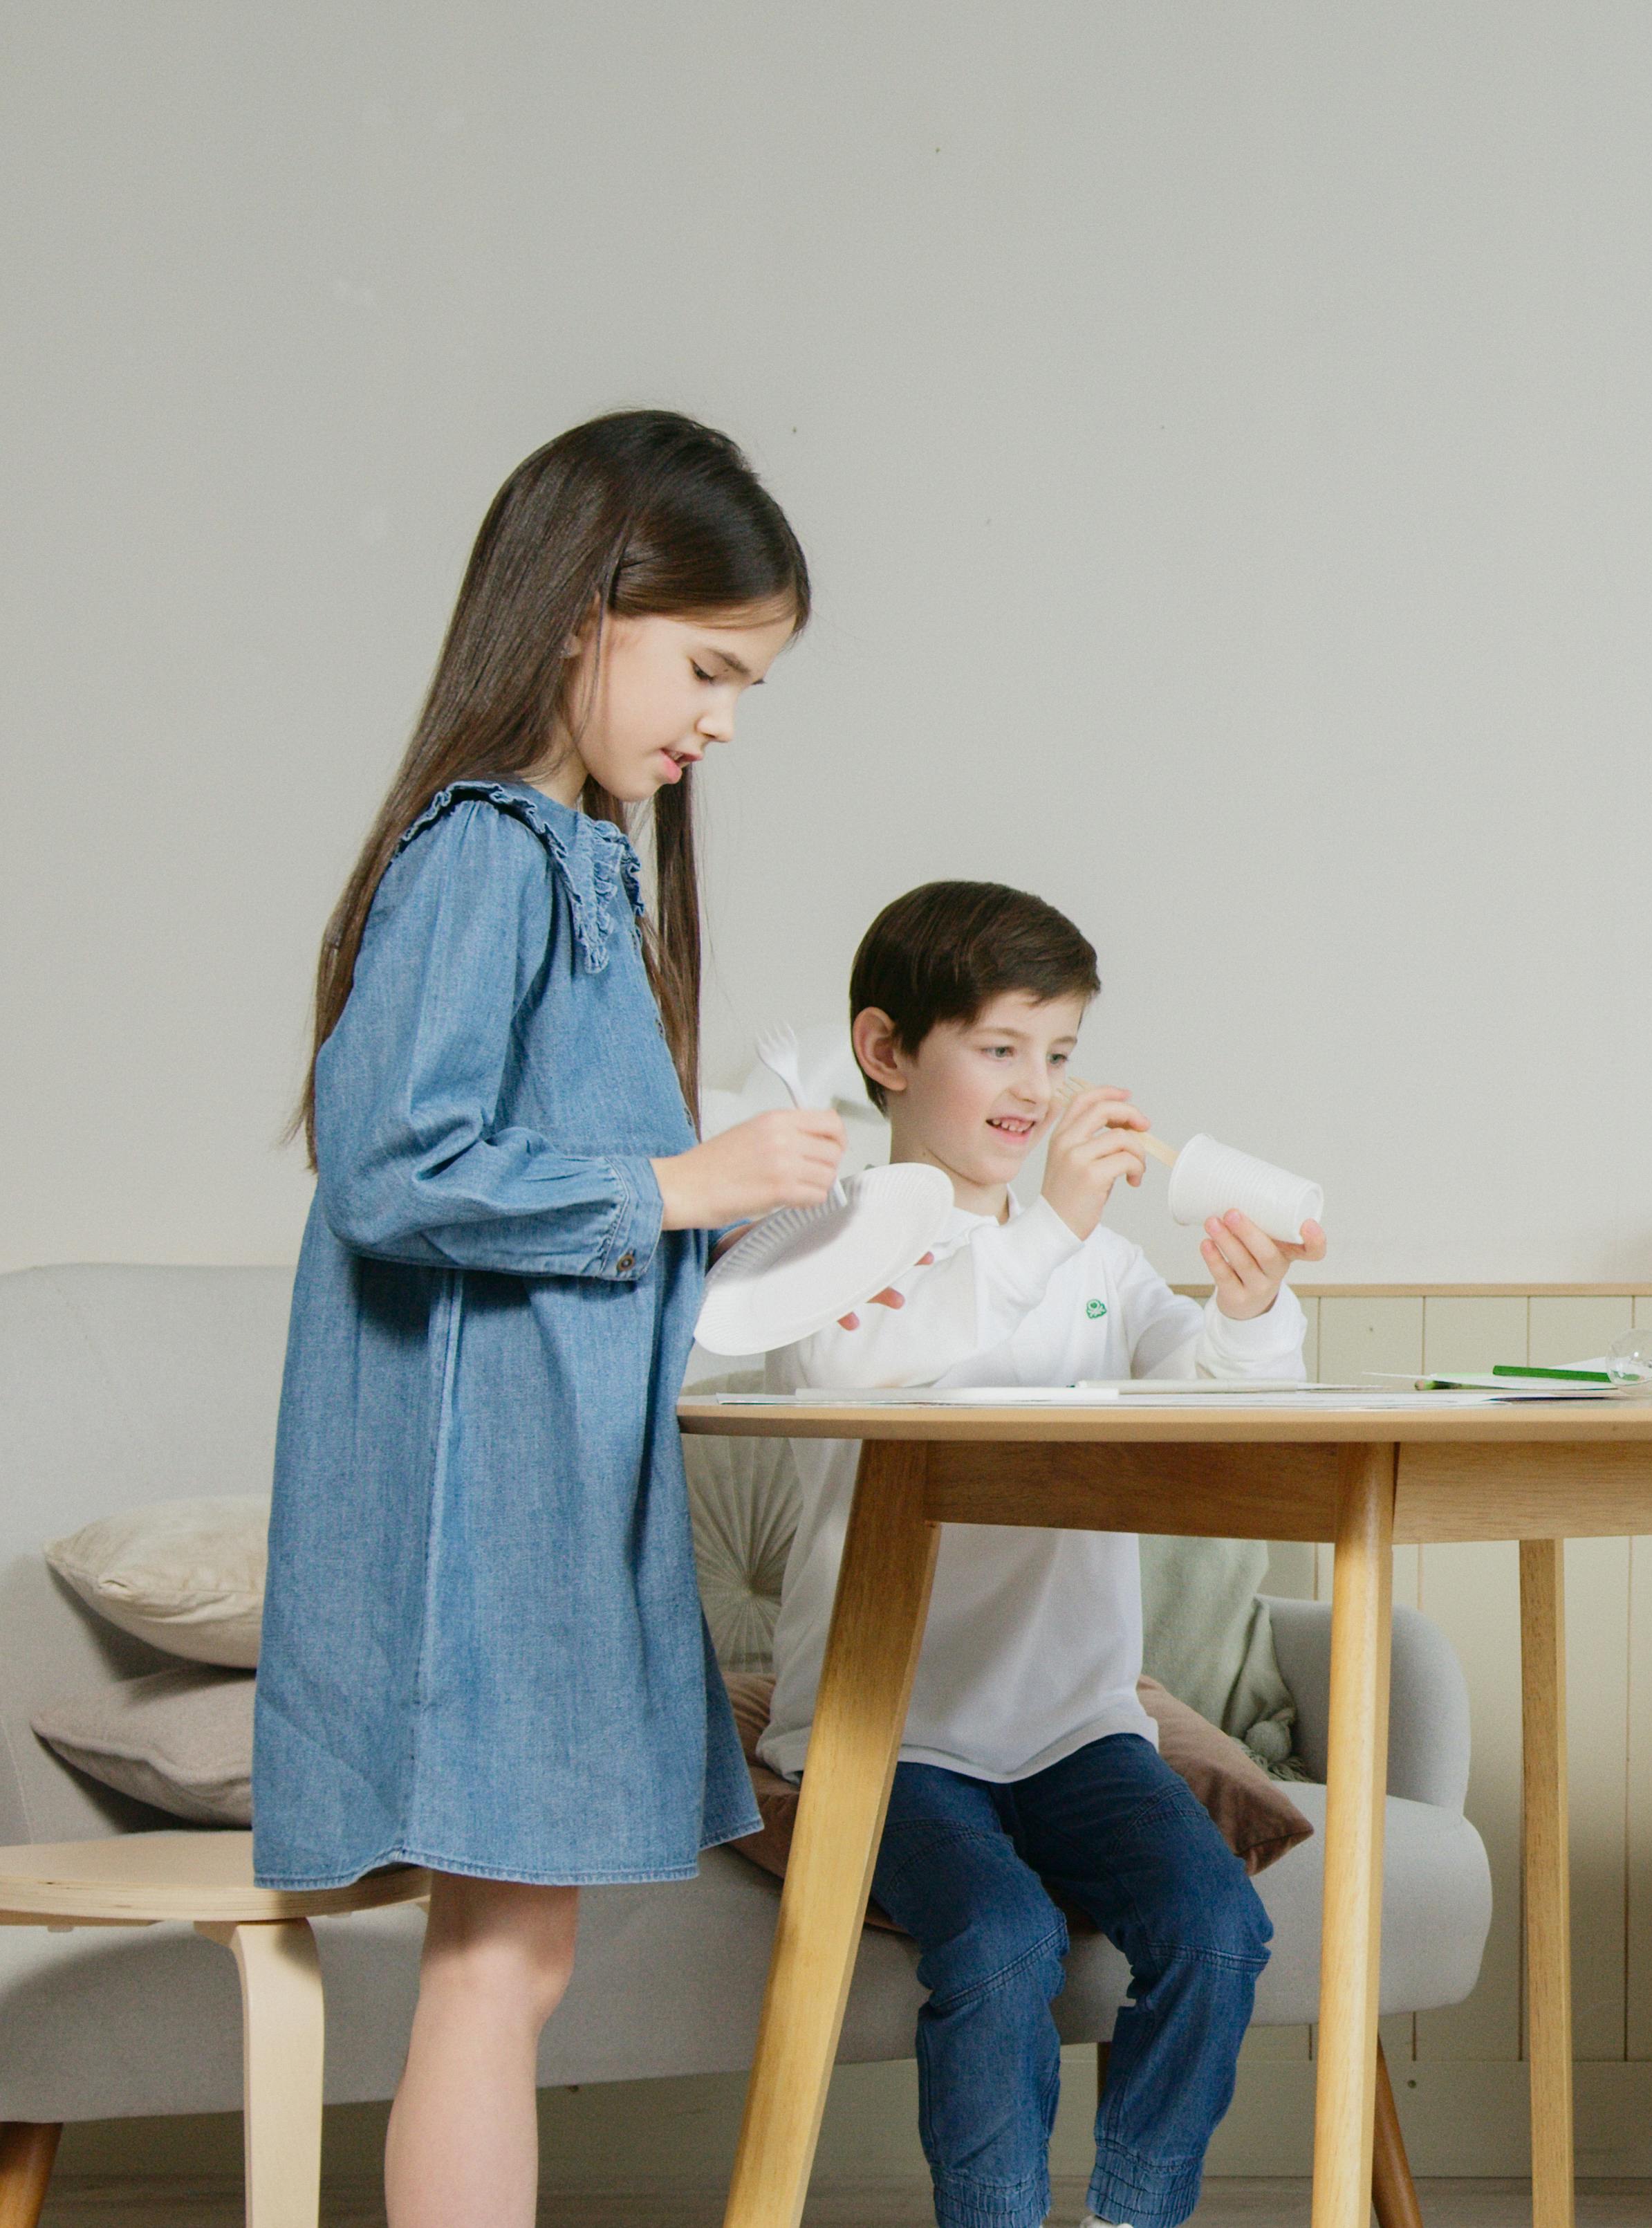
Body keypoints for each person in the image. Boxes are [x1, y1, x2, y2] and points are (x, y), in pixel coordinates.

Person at [259, 409, 833, 2228]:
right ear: (585, 610)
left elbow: (555, 1201)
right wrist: (679, 1186)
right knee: (493, 1972)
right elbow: (394, 1168)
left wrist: (763, 1233)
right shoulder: (487, 854)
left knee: (515, 1966)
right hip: (480, 1522)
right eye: (708, 666)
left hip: (548, 1500)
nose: (721, 719)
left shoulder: (573, 864)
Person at [755, 879, 1321, 2228]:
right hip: (888, 1729)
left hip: (1074, 1727)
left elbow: (1227, 1404)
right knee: (1001, 1942)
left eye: (1056, 1054)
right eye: (1000, 1049)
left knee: (1217, 1927)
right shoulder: (828, 1243)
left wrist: (1252, 1312)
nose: (1035, 1089)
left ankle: (1130, 2215)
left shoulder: (1101, 1267)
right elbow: (861, 1365)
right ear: (888, 1053)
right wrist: (1054, 1230)